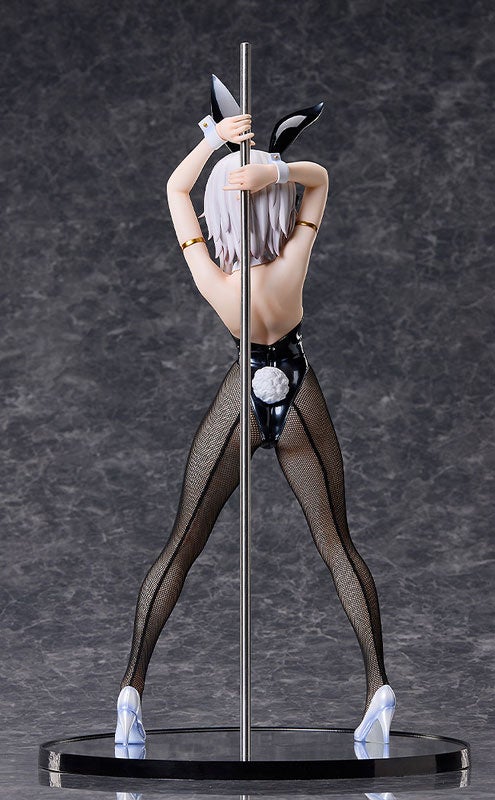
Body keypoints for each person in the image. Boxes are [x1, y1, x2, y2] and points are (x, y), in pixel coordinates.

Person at [114, 112, 396, 748]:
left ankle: (131, 690)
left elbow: (174, 190)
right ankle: (379, 686)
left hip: (241, 397)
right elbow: (320, 182)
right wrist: (279, 171)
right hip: (298, 392)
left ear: (220, 213)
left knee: (182, 544)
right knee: (337, 543)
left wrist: (212, 142)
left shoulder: (214, 276)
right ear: (276, 210)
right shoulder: (293, 258)